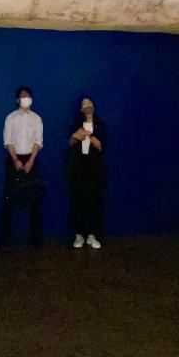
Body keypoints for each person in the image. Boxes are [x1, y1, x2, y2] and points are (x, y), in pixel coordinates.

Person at [0, 86, 45, 247]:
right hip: (14, 159)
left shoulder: (37, 118)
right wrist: (15, 160)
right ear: (18, 100)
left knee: (35, 200)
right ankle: (5, 240)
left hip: (32, 159)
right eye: (23, 96)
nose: (26, 98)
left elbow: (38, 141)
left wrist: (31, 161)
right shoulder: (11, 117)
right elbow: (8, 141)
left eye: (28, 95)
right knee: (8, 199)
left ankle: (35, 239)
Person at [65, 96, 106, 249]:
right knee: (77, 201)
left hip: (94, 168)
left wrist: (89, 135)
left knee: (94, 201)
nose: (88, 106)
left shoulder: (100, 125)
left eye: (90, 103)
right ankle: (79, 235)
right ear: (81, 109)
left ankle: (92, 235)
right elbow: (70, 142)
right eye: (84, 104)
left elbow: (100, 146)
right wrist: (74, 136)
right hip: (78, 168)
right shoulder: (75, 125)